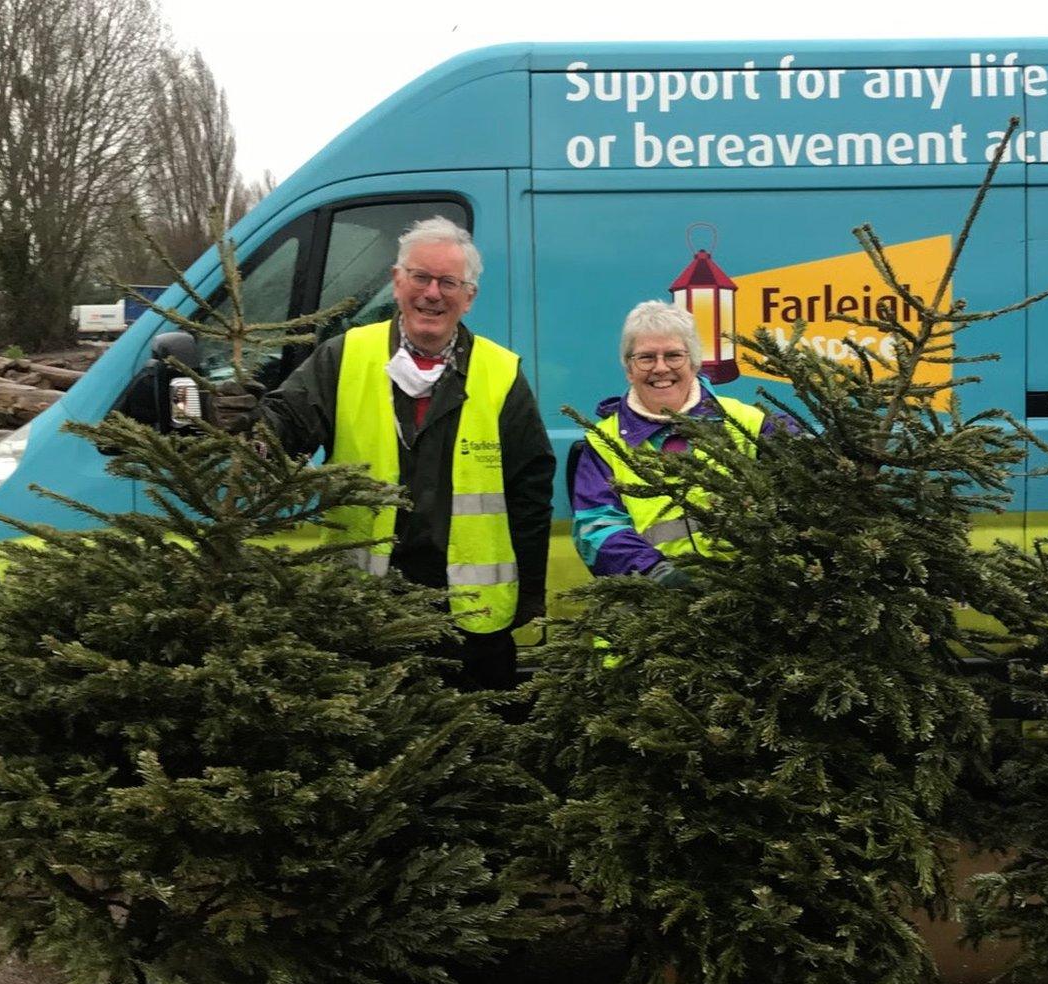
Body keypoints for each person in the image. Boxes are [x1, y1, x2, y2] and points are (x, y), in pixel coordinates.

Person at [258, 216, 554, 690]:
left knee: (480, 748)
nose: (432, 293)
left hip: (470, 618)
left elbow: (530, 490)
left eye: (448, 282)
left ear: (469, 296)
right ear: (397, 282)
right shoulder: (344, 356)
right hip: (364, 610)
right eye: (420, 277)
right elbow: (284, 424)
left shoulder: (501, 373)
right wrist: (248, 429)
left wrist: (529, 594)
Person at [570, 301, 774, 585]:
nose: (661, 368)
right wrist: (658, 574)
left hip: (747, 597)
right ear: (629, 369)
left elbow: (804, 482)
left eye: (674, 355)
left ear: (694, 362)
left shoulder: (748, 423)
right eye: (646, 358)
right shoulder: (604, 442)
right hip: (647, 608)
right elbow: (596, 530)